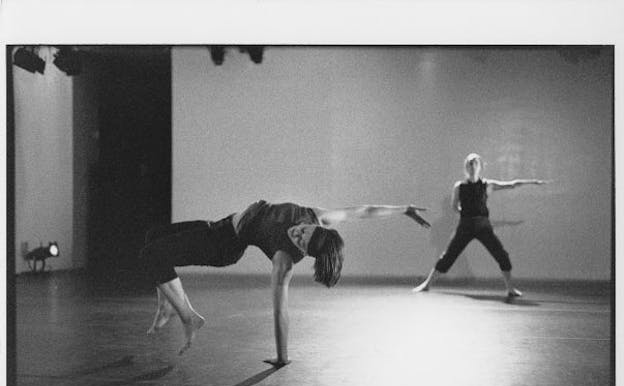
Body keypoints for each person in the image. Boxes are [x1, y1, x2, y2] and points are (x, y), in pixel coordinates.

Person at [140, 200, 430, 362]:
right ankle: (166, 304)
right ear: (315, 224)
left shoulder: (284, 259)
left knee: (152, 255)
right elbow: (363, 211)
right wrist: (403, 210)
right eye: (304, 230)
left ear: (304, 252)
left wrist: (282, 357)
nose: (297, 234)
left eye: (302, 241)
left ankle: (189, 316)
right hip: (218, 225)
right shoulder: (319, 216)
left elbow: (281, 311)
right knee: (154, 236)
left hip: (221, 246)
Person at [412, 153, 548, 298]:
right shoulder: (460, 186)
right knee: (449, 256)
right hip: (466, 226)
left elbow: (512, 184)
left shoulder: (487, 185)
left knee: (501, 255)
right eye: (470, 163)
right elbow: (454, 206)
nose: (472, 166)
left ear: (480, 166)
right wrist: (466, 214)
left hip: (483, 226)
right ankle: (427, 284)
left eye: (475, 163)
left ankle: (510, 288)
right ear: (466, 167)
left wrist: (532, 182)